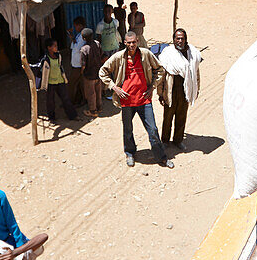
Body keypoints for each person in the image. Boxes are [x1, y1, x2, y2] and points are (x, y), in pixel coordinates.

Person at [99, 32, 172, 168]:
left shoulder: (145, 54)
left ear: (137, 41)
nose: (131, 45)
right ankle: (130, 153)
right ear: (124, 43)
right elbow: (103, 72)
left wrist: (152, 87)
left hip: (144, 100)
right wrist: (114, 87)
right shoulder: (119, 57)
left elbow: (160, 70)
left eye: (133, 42)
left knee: (153, 130)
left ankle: (161, 157)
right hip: (127, 101)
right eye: (128, 42)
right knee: (128, 129)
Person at [158, 28, 203, 150]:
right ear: (173, 40)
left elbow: (195, 73)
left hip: (185, 90)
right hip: (171, 90)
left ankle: (178, 140)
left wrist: (196, 89)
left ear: (185, 39)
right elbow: (161, 76)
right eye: (177, 38)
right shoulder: (167, 54)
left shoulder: (192, 54)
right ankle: (165, 140)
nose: (180, 41)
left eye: (182, 38)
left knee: (181, 116)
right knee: (168, 117)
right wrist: (160, 93)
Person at [39, 39, 77, 122]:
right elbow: (43, 73)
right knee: (50, 102)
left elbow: (60, 67)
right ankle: (52, 118)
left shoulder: (58, 55)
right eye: (54, 46)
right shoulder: (46, 60)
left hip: (60, 81)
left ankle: (72, 115)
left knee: (65, 98)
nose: (56, 47)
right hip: (50, 83)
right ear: (49, 48)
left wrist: (64, 78)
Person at [78, 28, 102, 117]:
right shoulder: (97, 44)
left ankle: (92, 111)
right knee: (98, 91)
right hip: (98, 72)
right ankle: (99, 107)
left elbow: (83, 65)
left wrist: (82, 73)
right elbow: (101, 55)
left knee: (91, 93)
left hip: (89, 74)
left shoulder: (84, 49)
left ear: (84, 38)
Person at [67, 16, 87, 106]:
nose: (75, 28)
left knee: (72, 83)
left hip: (78, 65)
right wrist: (71, 37)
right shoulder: (79, 35)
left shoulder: (83, 36)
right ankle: (79, 100)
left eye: (75, 26)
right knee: (79, 84)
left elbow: (79, 48)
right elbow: (75, 45)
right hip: (75, 63)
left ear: (80, 25)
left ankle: (71, 102)